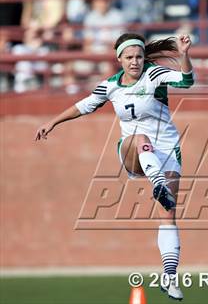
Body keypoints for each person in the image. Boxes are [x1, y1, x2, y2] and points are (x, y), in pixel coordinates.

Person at [35, 33, 194, 301]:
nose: (135, 62)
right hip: (133, 149)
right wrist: (53, 122)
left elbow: (187, 81)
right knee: (142, 139)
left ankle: (169, 275)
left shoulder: (154, 75)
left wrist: (184, 55)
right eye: (129, 57)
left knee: (168, 215)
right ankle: (157, 182)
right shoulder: (109, 86)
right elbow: (83, 106)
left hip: (166, 149)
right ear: (119, 58)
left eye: (139, 57)